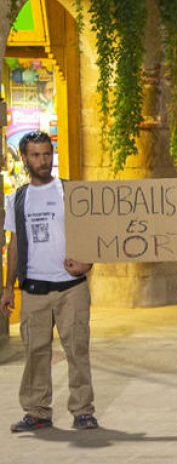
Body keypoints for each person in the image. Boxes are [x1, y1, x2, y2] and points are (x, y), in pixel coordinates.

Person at [4, 131, 96, 432]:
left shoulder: (70, 192)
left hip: (72, 288)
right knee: (35, 352)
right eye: (36, 155)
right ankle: (37, 411)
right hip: (34, 290)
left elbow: (92, 233)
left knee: (77, 350)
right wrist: (8, 288)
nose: (43, 161)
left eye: (47, 154)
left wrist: (87, 263)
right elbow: (14, 245)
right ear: (24, 158)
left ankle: (83, 410)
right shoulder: (17, 199)